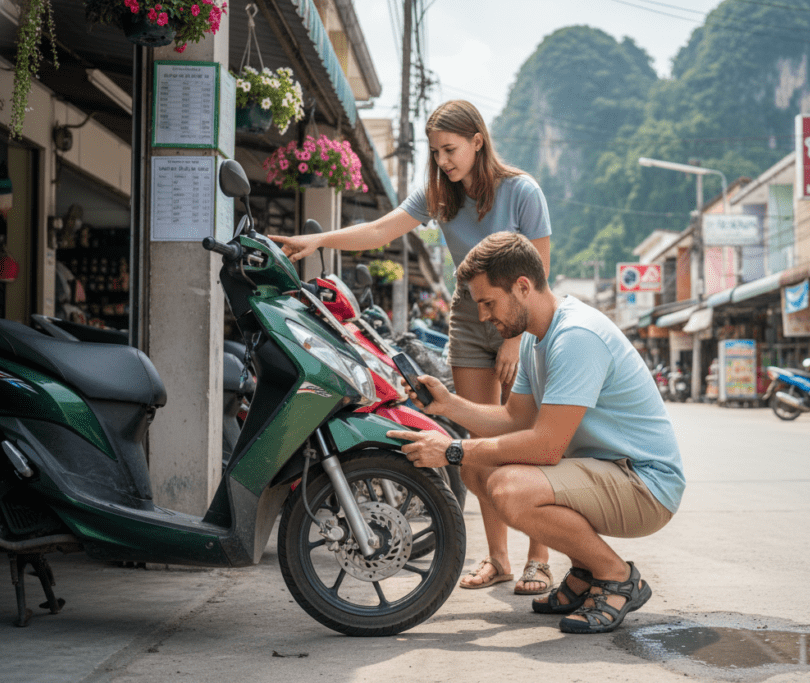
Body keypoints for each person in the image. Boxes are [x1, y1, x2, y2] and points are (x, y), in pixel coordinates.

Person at [269, 100, 555, 595]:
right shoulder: (439, 196)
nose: (444, 160)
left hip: (519, 317)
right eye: (436, 151)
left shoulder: (522, 191)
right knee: (476, 445)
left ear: (477, 141)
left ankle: (540, 558)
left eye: (451, 149)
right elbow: (381, 228)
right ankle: (499, 559)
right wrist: (315, 242)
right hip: (469, 316)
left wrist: (519, 338)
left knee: (523, 437)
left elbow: (541, 273)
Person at [386, 232, 686, 634]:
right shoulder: (534, 338)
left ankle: (616, 576)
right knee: (477, 470)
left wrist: (453, 449)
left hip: (645, 484)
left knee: (510, 487)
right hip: (604, 470)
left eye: (488, 303)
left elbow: (545, 446)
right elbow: (515, 419)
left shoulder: (576, 336)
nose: (483, 317)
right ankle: (584, 571)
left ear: (522, 287)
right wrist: (449, 405)